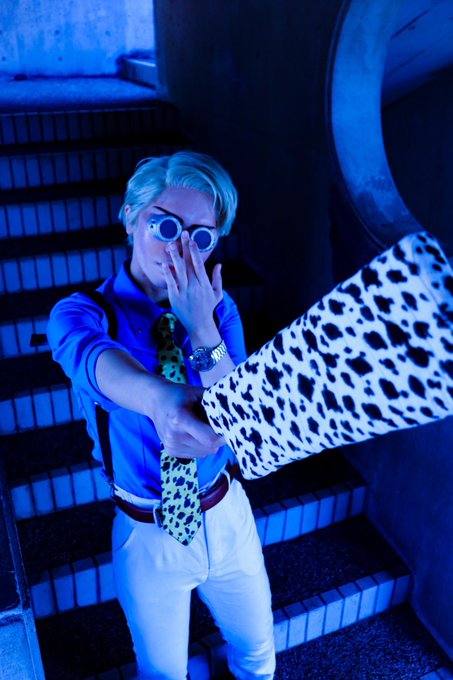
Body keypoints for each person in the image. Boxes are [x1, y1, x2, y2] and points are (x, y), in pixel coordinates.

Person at [47, 151, 276, 679]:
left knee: (258, 654)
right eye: (165, 225)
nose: (178, 249)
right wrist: (156, 399)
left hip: (226, 513)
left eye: (200, 237)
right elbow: (97, 361)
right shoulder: (82, 314)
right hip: (147, 532)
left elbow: (242, 415)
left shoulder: (218, 309)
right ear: (130, 216)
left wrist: (201, 327)